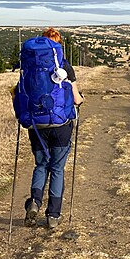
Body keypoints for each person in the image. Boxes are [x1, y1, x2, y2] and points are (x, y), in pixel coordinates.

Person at [24, 27, 84, 229]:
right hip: (61, 125)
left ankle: (34, 202)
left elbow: (20, 95)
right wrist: (81, 99)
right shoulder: (65, 66)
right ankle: (53, 216)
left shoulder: (30, 67)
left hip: (36, 125)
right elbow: (75, 99)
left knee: (41, 166)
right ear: (58, 47)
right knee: (57, 168)